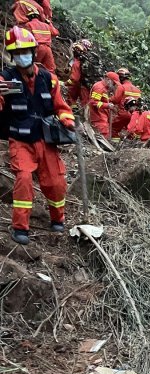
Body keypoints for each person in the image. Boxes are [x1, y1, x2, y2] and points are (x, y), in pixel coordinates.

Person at [0, 26, 75, 245]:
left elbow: (62, 106)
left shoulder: (48, 78)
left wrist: (67, 120)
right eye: (17, 53)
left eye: (25, 52)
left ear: (33, 52)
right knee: (23, 178)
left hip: (46, 139)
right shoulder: (5, 79)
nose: (22, 56)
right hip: (21, 141)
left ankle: (57, 218)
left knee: (56, 182)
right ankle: (20, 227)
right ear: (12, 56)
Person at [22, 8, 58, 74]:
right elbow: (56, 33)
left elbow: (26, 39)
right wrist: (50, 23)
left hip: (38, 48)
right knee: (50, 69)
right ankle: (51, 82)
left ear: (29, 17)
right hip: (48, 49)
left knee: (34, 67)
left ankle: (33, 82)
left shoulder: (28, 25)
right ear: (38, 16)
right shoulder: (46, 25)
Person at [111, 68, 141, 140]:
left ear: (121, 77)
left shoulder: (122, 87)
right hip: (134, 115)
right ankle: (129, 147)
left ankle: (114, 146)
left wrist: (108, 98)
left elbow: (115, 100)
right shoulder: (137, 90)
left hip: (123, 113)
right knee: (130, 132)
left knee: (114, 128)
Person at [89, 72, 120, 139]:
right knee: (103, 138)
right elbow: (93, 102)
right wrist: (107, 105)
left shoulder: (105, 89)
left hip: (102, 118)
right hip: (98, 119)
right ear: (108, 79)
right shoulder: (99, 87)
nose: (114, 85)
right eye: (114, 83)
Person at [65, 40, 92, 107]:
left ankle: (74, 110)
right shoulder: (88, 60)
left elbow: (74, 79)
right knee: (85, 103)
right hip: (87, 85)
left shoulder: (77, 63)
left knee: (84, 103)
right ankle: (74, 108)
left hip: (82, 84)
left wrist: (65, 83)